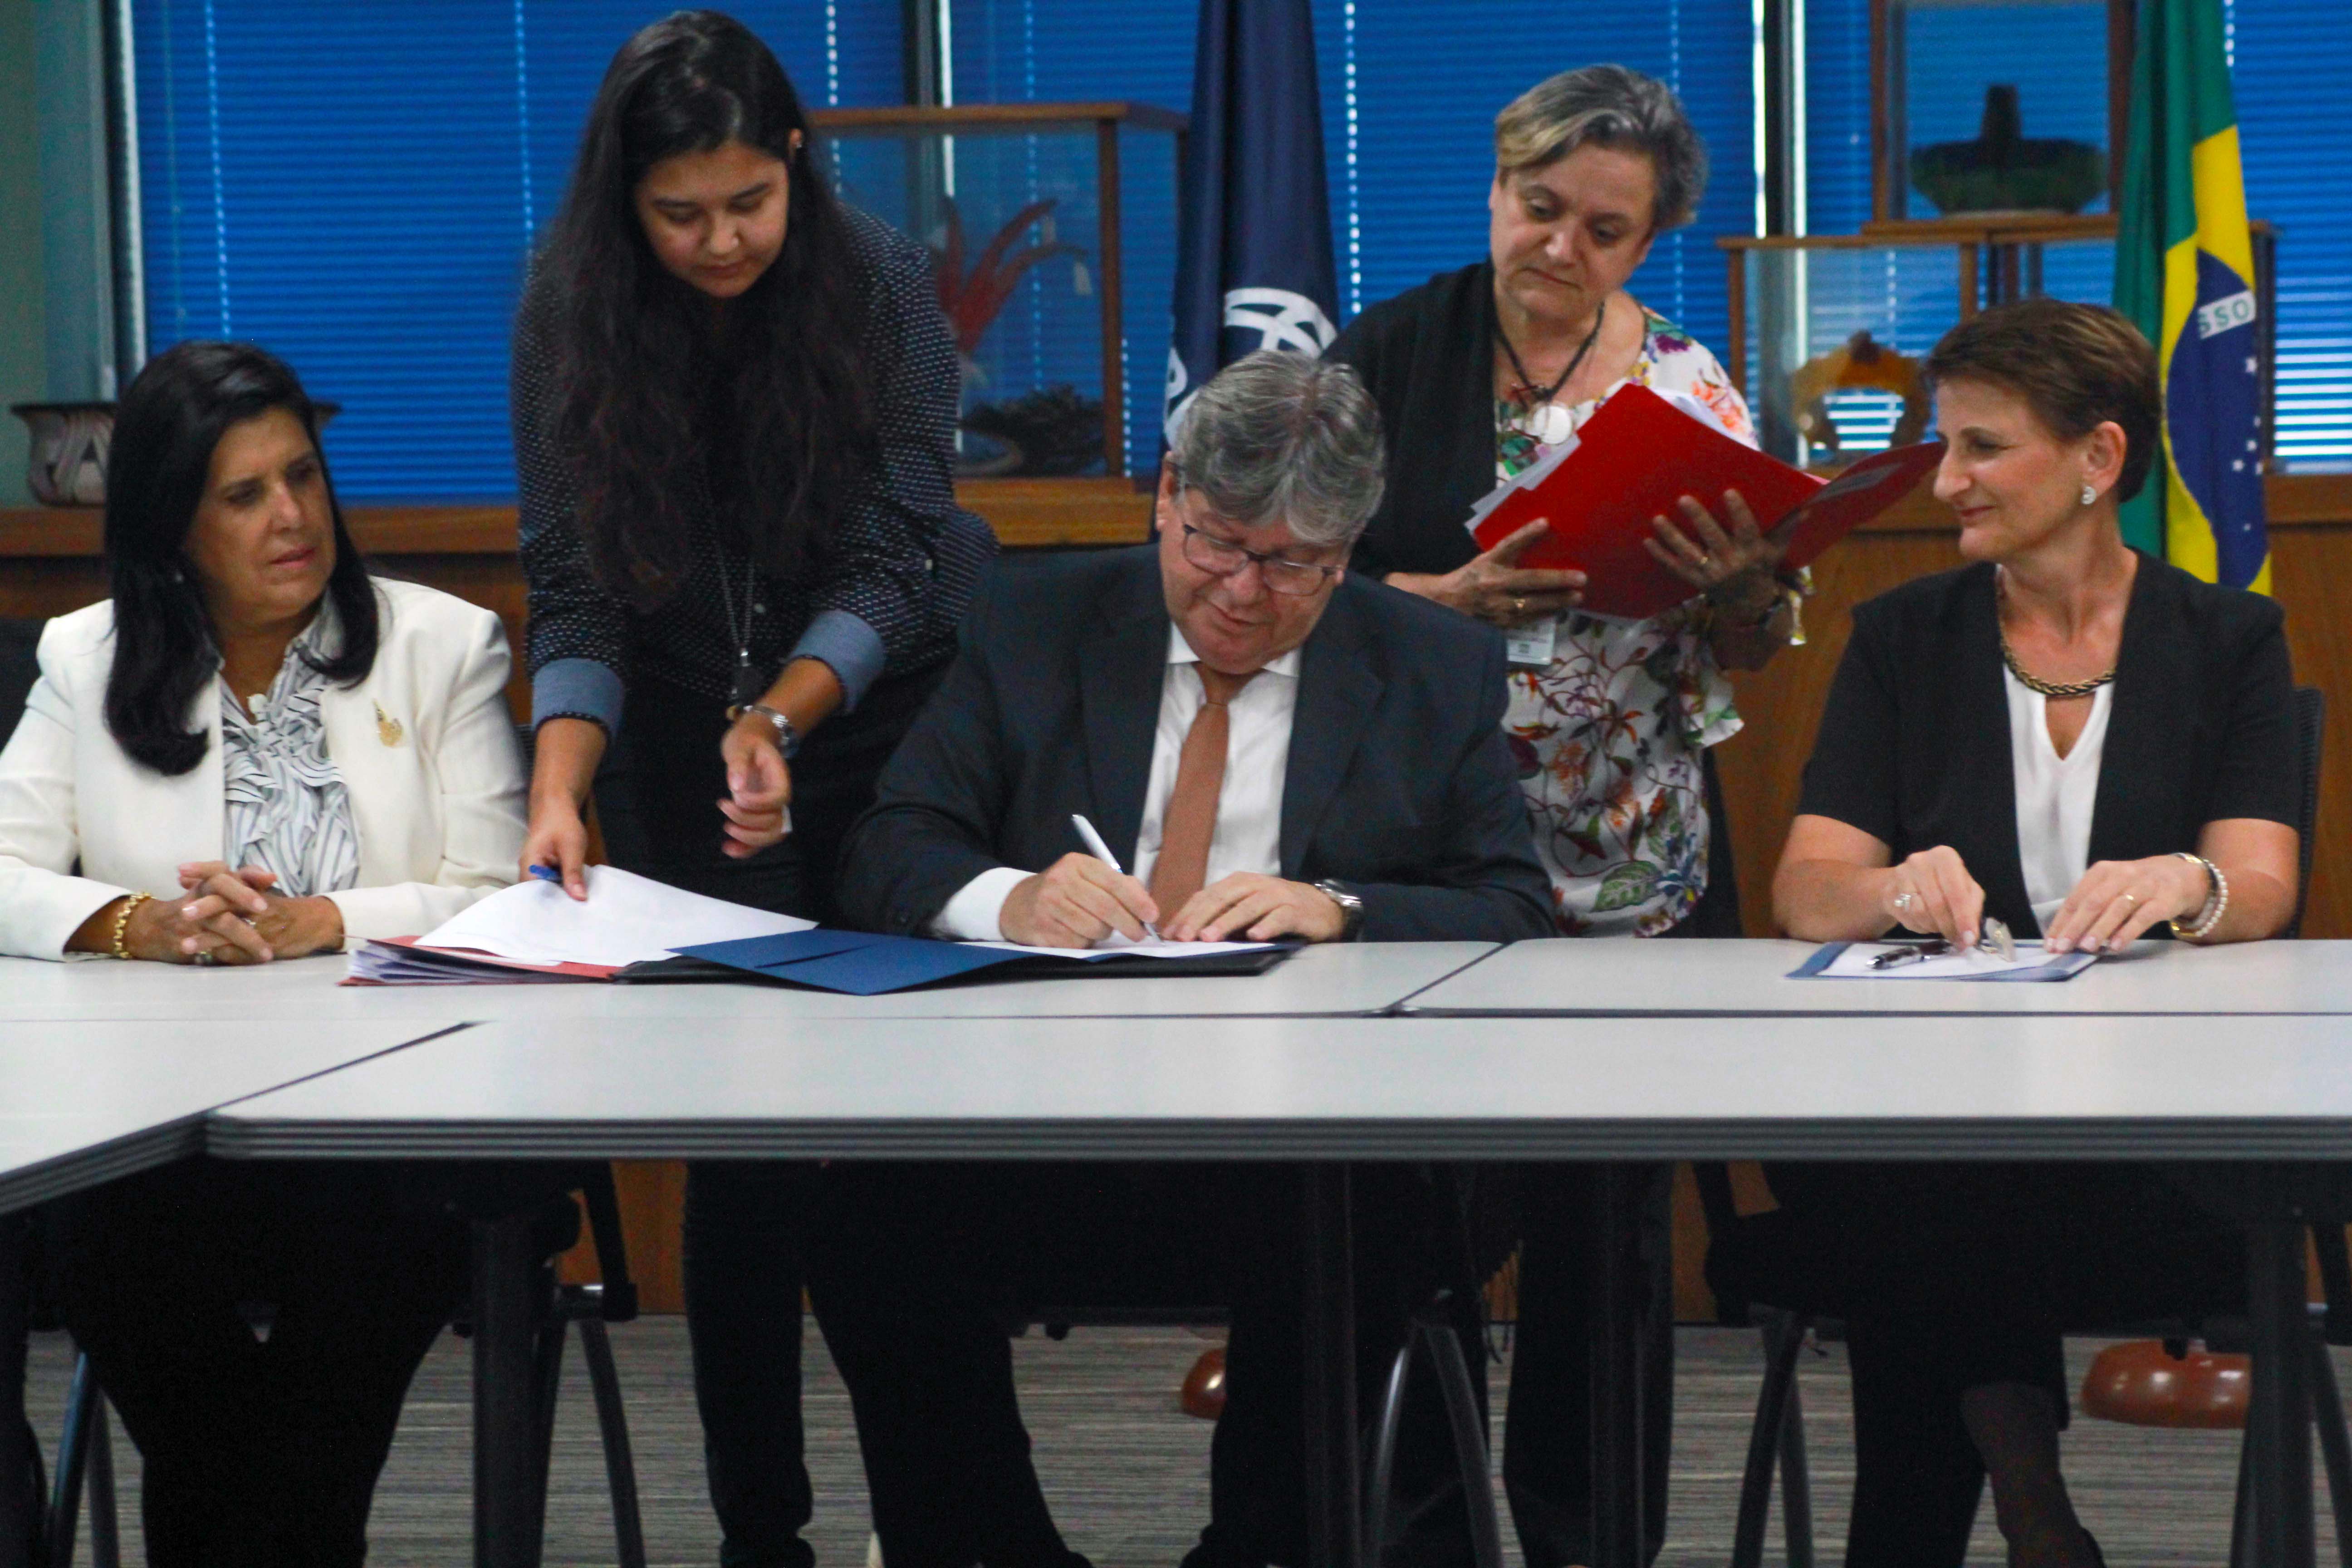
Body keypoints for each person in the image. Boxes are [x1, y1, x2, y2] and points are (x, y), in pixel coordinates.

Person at [808, 350, 1553, 1568]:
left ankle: (1259, 1550)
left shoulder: (1429, 663)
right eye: (1216, 545)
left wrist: (1340, 908)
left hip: (1312, 1143)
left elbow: (1513, 908)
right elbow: (891, 845)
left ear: (1352, 544)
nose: (1247, 594)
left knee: (1361, 1232)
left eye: (1296, 566)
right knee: (862, 1219)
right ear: (1166, 495)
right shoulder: (1032, 620)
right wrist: (1014, 898)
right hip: (1053, 1129)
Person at [508, 15, 995, 1562]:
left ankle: (946, 1517)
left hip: (870, 731)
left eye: (746, 203)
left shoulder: (876, 285)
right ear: (625, 201)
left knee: (905, 1149)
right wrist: (558, 784)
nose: (718, 242)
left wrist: (785, 714)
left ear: (793, 162)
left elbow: (906, 551)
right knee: (748, 1151)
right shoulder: (568, 307)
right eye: (679, 213)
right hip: (670, 749)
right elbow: (574, 592)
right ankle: (759, 1533)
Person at [1325, 63, 1802, 1564]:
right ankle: (1426, 1533)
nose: (1561, 251)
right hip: (1422, 869)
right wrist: (1434, 604)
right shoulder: (1385, 357)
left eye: (1605, 232)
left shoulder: (1687, 387)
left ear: (1644, 244)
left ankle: (1598, 1539)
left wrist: (1747, 601)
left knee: (1607, 1249)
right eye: (1541, 210)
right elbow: (1253, 591)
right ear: (1497, 181)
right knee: (1425, 1231)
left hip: (1634, 873)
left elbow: (1752, 647)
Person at [1771, 297, 2301, 1568]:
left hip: (2158, 1143)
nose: (1945, 481)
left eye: (1981, 448)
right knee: (1936, 1181)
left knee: (1935, 1223)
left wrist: (2186, 883)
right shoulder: (1903, 637)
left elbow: (2261, 881)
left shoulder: (2230, 638)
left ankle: (1983, 1500)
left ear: (2099, 459)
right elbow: (1807, 887)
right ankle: (2030, 1496)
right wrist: (1894, 889)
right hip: (1932, 1121)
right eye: (1944, 446)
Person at [0, 339, 526, 1563]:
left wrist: (323, 921)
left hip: (390, 1130)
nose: (293, 517)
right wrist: (142, 925)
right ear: (171, 524)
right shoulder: (86, 659)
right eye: (244, 495)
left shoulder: (440, 646)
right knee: (100, 1246)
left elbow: (501, 893)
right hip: (157, 1134)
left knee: (373, 1258)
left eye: (303, 477)